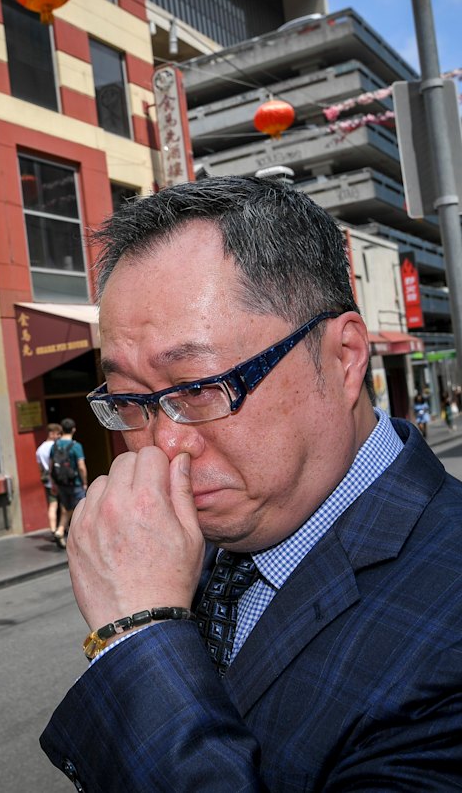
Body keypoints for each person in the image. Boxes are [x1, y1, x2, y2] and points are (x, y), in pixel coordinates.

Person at [40, 176, 462, 790]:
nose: (164, 445)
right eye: (130, 401)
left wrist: (141, 634)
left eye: (200, 388)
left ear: (342, 358)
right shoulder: (201, 545)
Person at [50, 418, 88, 549]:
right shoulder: (76, 446)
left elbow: (51, 466)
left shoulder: (54, 446)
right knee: (82, 509)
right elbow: (81, 466)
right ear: (73, 429)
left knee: (66, 508)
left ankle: (60, 530)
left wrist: (53, 482)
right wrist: (84, 482)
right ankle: (82, 538)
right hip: (75, 483)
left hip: (61, 483)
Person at [35, 423, 62, 536]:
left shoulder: (39, 449)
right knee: (65, 504)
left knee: (53, 504)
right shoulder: (56, 447)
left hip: (48, 480)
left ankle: (53, 529)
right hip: (59, 479)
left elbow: (40, 467)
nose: (59, 436)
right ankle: (62, 528)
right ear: (52, 434)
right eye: (58, 434)